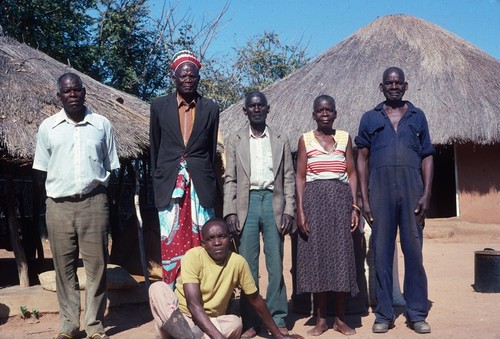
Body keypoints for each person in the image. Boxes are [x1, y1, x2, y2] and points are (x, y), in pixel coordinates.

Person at [33, 73, 120, 339]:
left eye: (77, 90)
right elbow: (40, 171)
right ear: (58, 96)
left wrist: (108, 204)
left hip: (94, 202)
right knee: (64, 267)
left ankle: (94, 325)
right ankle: (69, 325)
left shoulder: (101, 125)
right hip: (58, 205)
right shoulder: (48, 127)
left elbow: (113, 167)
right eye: (67, 92)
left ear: (84, 92)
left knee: (97, 267)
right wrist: (47, 205)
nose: (73, 95)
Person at [355, 67, 434, 334]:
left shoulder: (417, 116)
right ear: (381, 87)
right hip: (380, 193)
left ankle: (416, 313)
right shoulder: (369, 118)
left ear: (405, 86)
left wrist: (426, 193)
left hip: (413, 191)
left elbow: (427, 156)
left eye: (398, 82)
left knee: (414, 253)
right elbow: (362, 159)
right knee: (382, 253)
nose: (394, 86)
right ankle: (384, 314)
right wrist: (364, 199)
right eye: (389, 82)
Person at [148, 218, 304, 339]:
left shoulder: (238, 262)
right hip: (180, 317)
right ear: (203, 243)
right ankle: (184, 334)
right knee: (157, 288)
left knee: (235, 323)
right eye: (211, 238)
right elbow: (193, 304)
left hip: (210, 323)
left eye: (221, 236)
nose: (217, 242)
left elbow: (255, 300)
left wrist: (278, 335)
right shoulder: (193, 256)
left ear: (229, 239)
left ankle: (183, 336)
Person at [223, 91, 295, 338]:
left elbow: (288, 177)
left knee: (276, 263)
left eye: (260, 105)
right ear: (245, 110)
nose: (256, 109)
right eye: (251, 106)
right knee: (247, 266)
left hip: (273, 202)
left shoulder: (279, 138)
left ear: (267, 109)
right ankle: (251, 320)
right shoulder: (235, 139)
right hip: (247, 203)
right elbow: (230, 178)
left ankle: (277, 316)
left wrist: (289, 209)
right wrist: (230, 211)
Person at [149, 50, 220, 288]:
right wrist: (161, 178)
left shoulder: (210, 108)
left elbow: (209, 151)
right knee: (171, 242)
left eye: (193, 76)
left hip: (200, 184)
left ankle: (203, 298)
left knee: (203, 240)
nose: (188, 79)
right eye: (183, 75)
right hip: (171, 185)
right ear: (175, 78)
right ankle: (173, 299)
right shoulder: (159, 106)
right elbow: (156, 149)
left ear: (199, 78)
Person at [295, 95, 359, 336]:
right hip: (314, 201)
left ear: (335, 113)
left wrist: (355, 207)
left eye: (329, 110)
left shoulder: (344, 138)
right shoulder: (305, 140)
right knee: (318, 259)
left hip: (341, 201)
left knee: (342, 257)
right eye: (320, 110)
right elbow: (300, 177)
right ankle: (321, 319)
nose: (325, 114)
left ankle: (340, 320)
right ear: (314, 114)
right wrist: (301, 211)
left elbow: (352, 173)